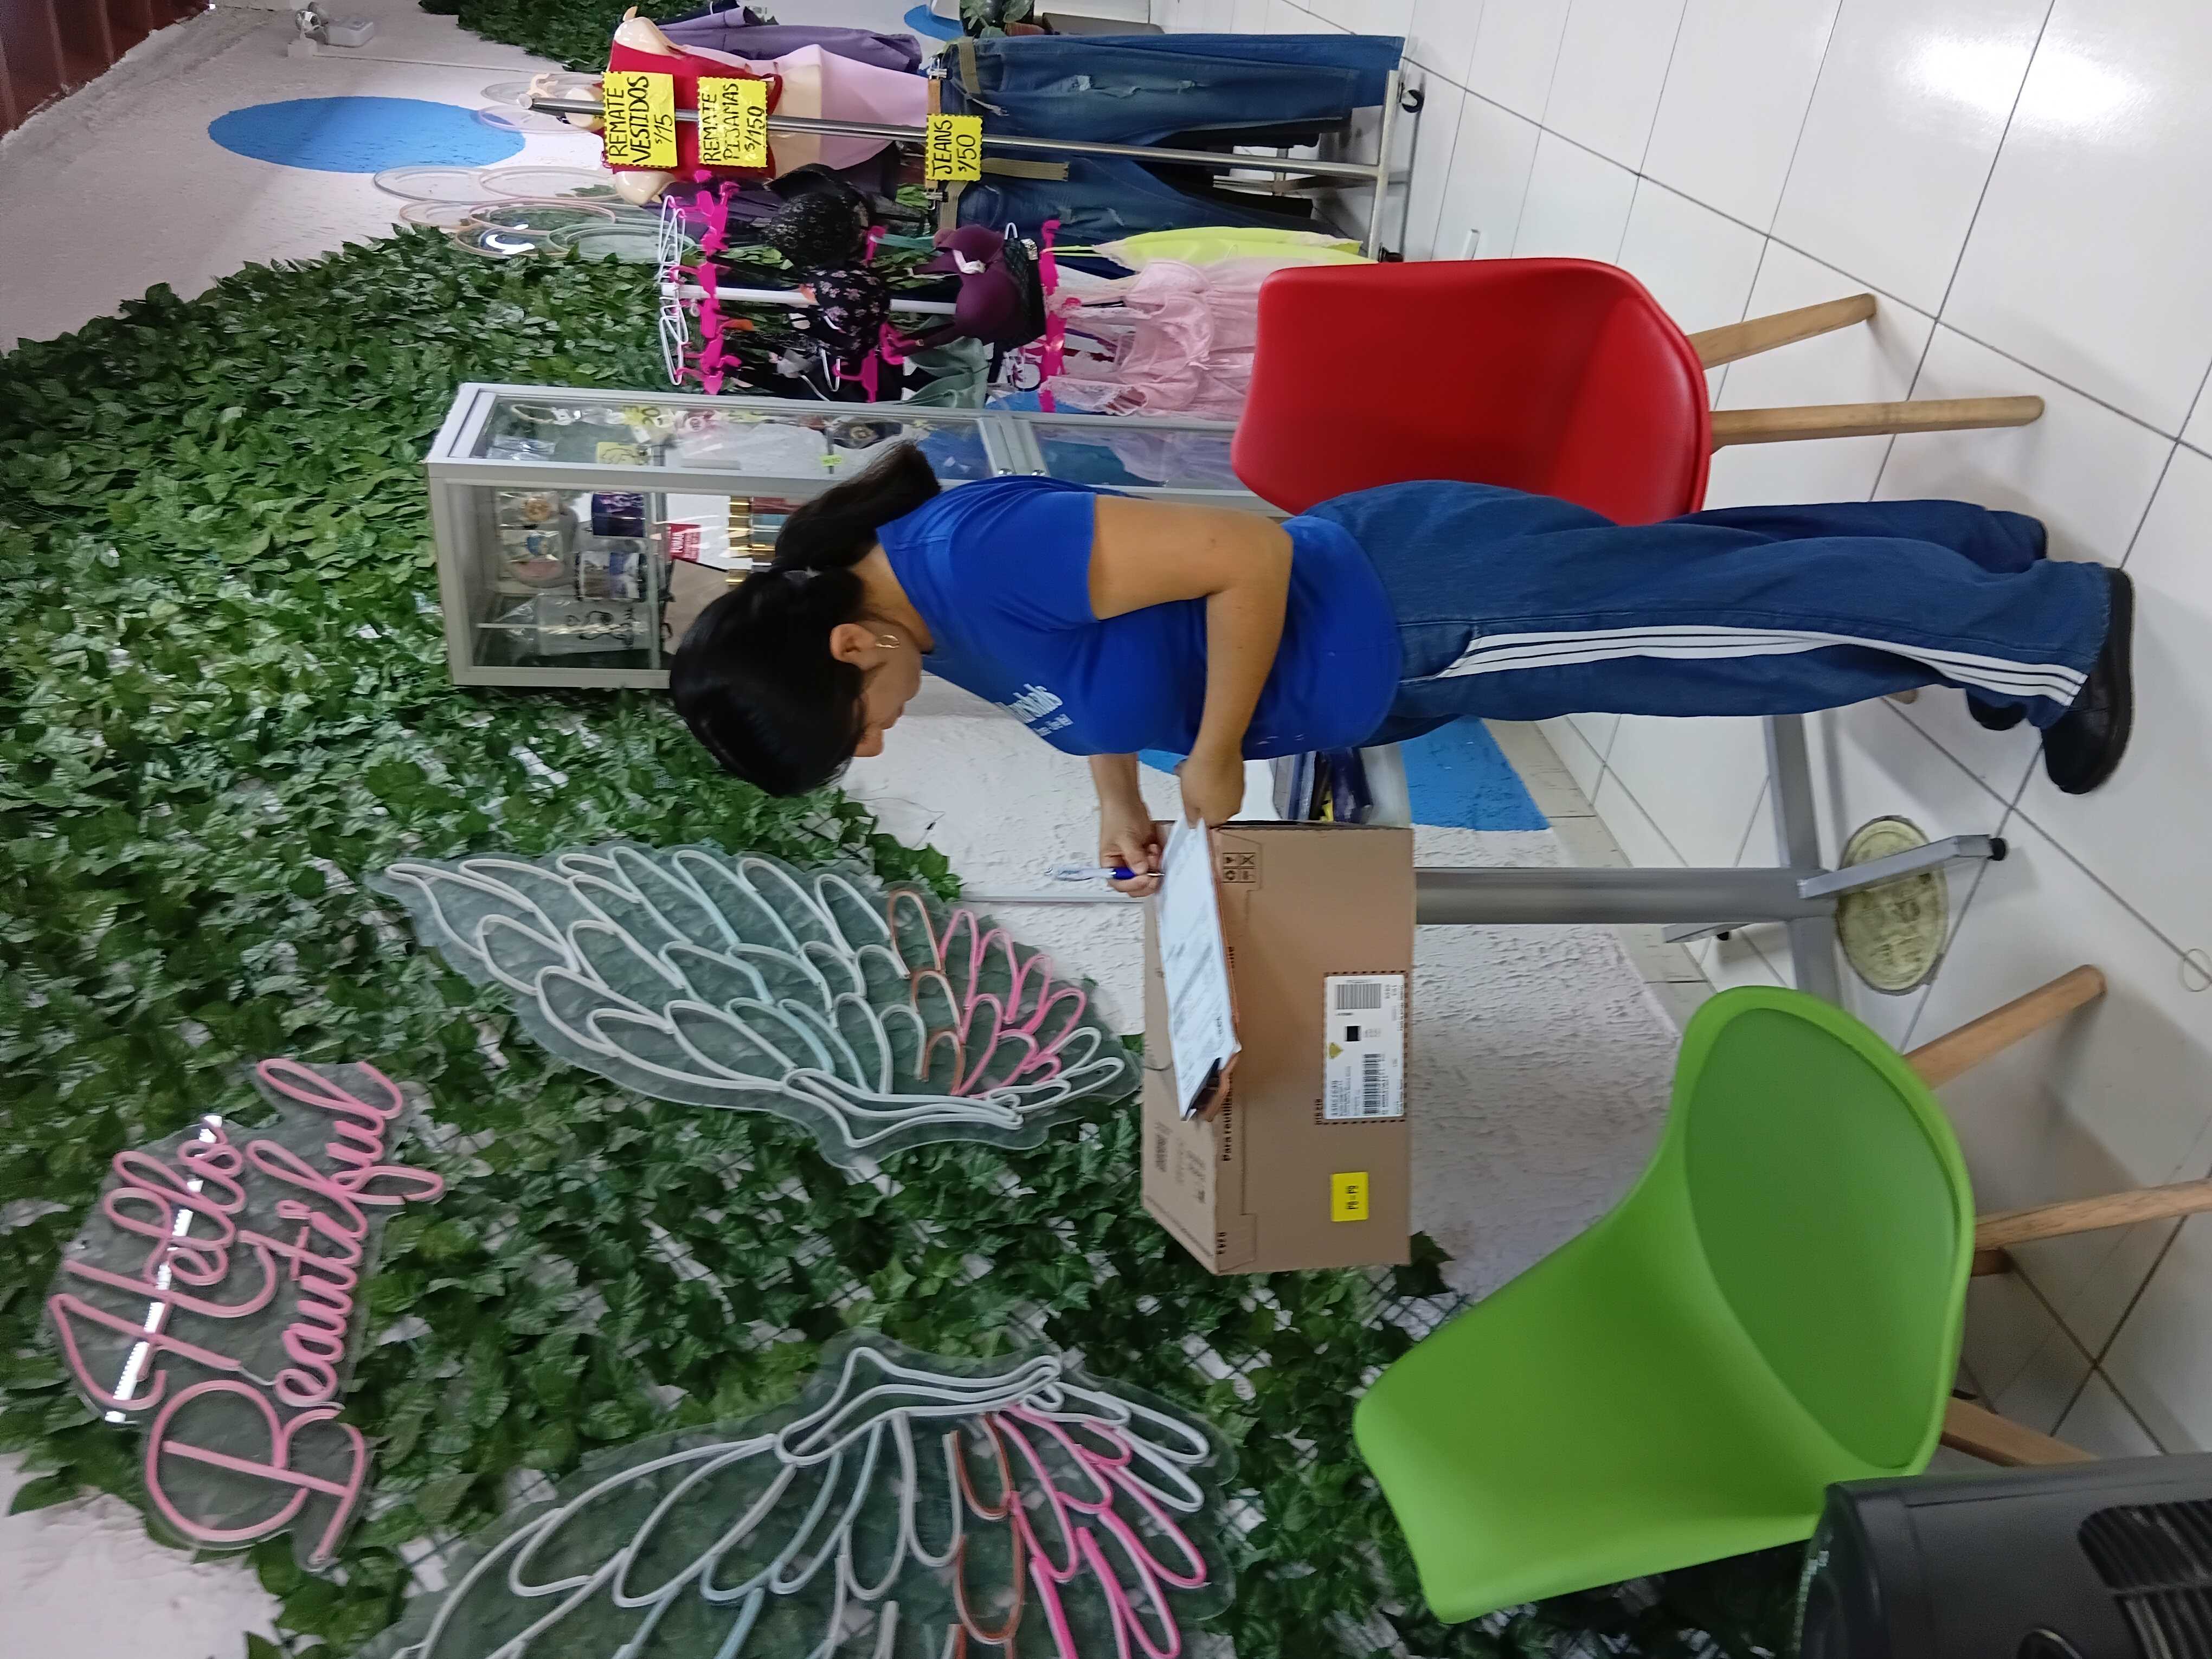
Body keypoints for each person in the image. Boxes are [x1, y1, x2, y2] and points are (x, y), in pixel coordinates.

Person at [671, 443, 2132, 895]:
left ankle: (2053, 632)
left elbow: (1246, 557)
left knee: (1718, 626)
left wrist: (1214, 752)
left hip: (1416, 603)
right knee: (1700, 590)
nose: (879, 740)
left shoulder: (967, 558)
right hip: (1394, 659)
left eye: (856, 727)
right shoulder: (918, 623)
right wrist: (1118, 800)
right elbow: (1080, 673)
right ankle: (1977, 563)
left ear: (849, 645)